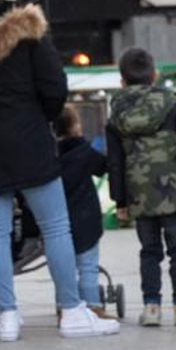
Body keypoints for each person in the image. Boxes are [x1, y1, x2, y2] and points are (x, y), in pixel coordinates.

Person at [0, 0, 118, 342]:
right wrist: (44, 118)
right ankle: (72, 311)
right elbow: (54, 86)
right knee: (55, 227)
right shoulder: (24, 23)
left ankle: (7, 317)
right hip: (28, 137)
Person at [107, 47, 176, 328]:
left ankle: (151, 307)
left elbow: (114, 162)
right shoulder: (173, 105)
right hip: (174, 190)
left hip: (139, 193)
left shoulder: (116, 112)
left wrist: (120, 201)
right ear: (154, 75)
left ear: (122, 81)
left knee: (149, 250)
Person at [55, 105, 113, 319]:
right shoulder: (84, 152)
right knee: (88, 265)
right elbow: (103, 167)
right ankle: (92, 306)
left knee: (63, 266)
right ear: (76, 126)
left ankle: (64, 305)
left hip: (58, 220)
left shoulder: (47, 156)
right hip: (85, 219)